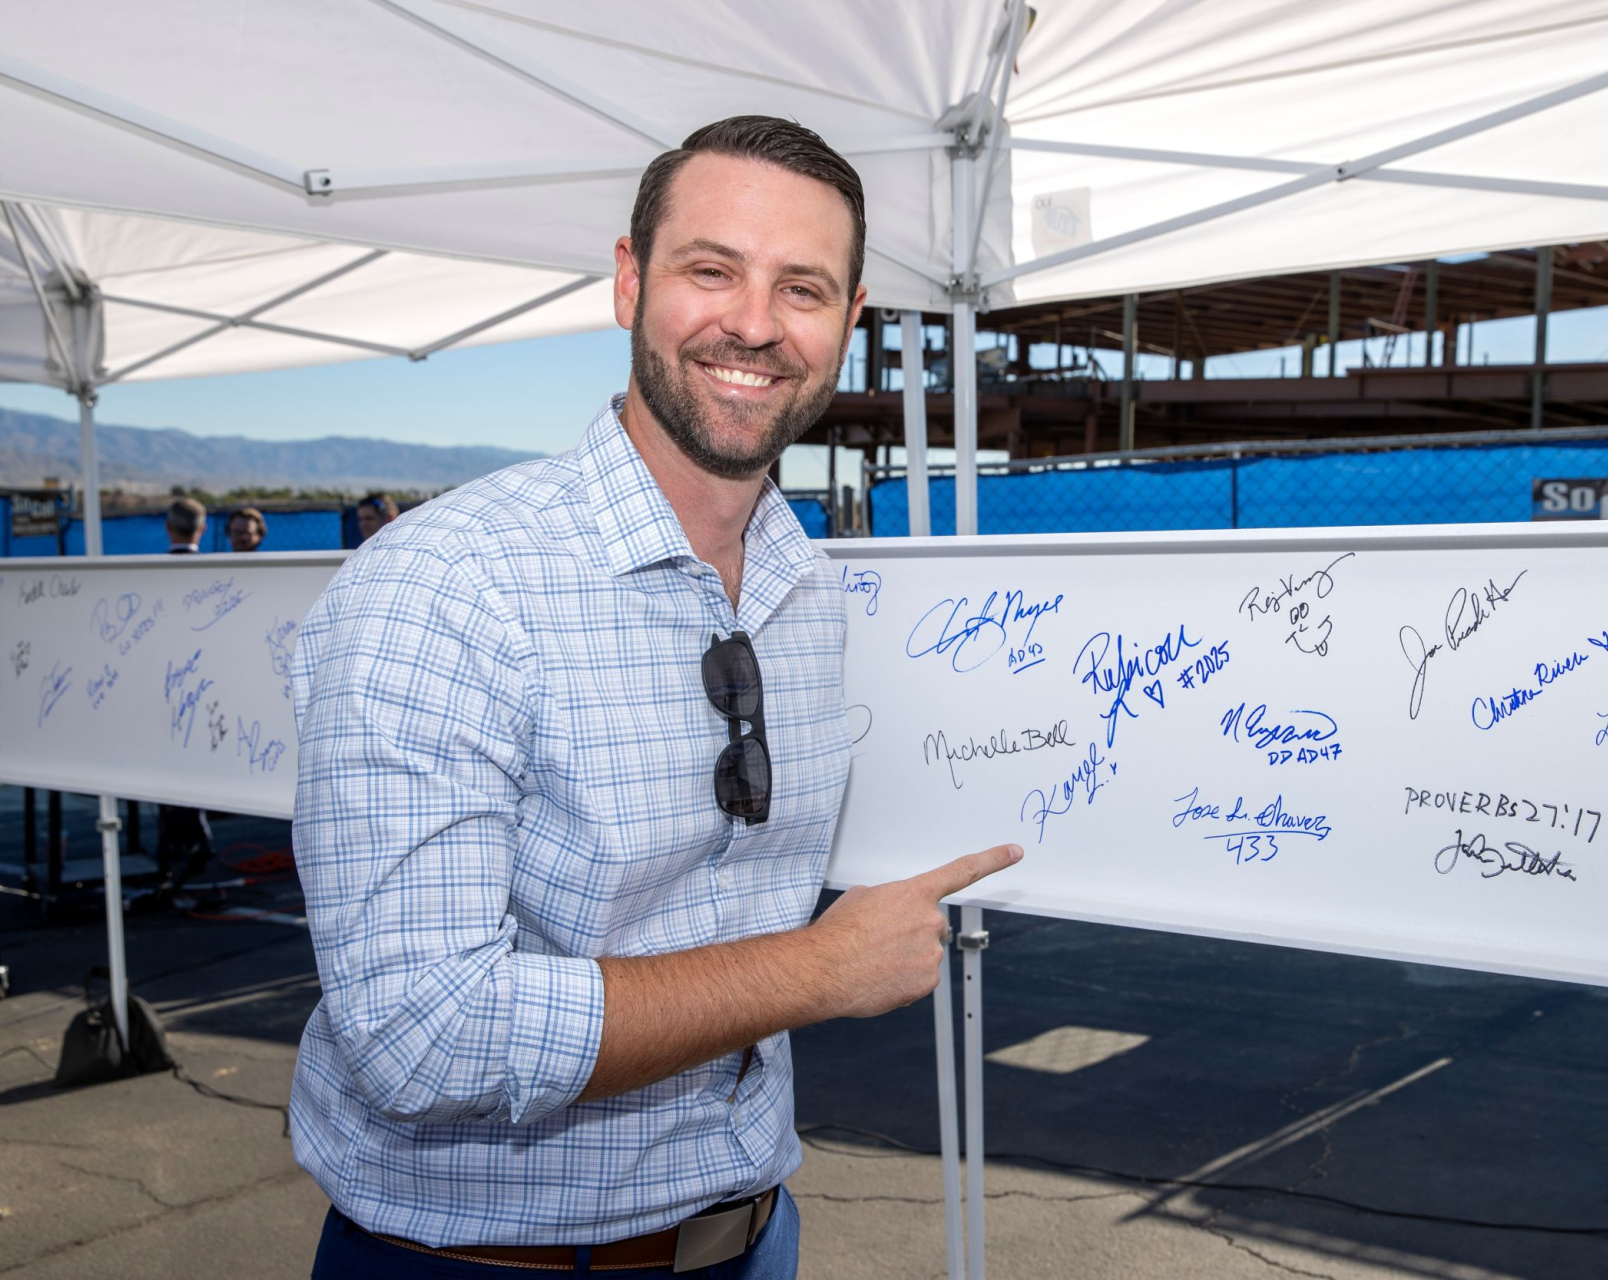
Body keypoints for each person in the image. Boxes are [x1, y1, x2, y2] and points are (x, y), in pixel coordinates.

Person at [292, 116, 1019, 1280]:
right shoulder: (445, 583)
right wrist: (820, 969)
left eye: (804, 288)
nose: (754, 323)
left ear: (851, 319)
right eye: (711, 269)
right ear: (630, 279)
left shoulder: (804, 587)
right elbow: (416, 1033)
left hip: (748, 1235)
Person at [160, 496, 213, 882]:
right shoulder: (214, 574)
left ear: (168, 527)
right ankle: (189, 838)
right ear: (203, 528)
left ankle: (187, 839)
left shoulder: (154, 572)